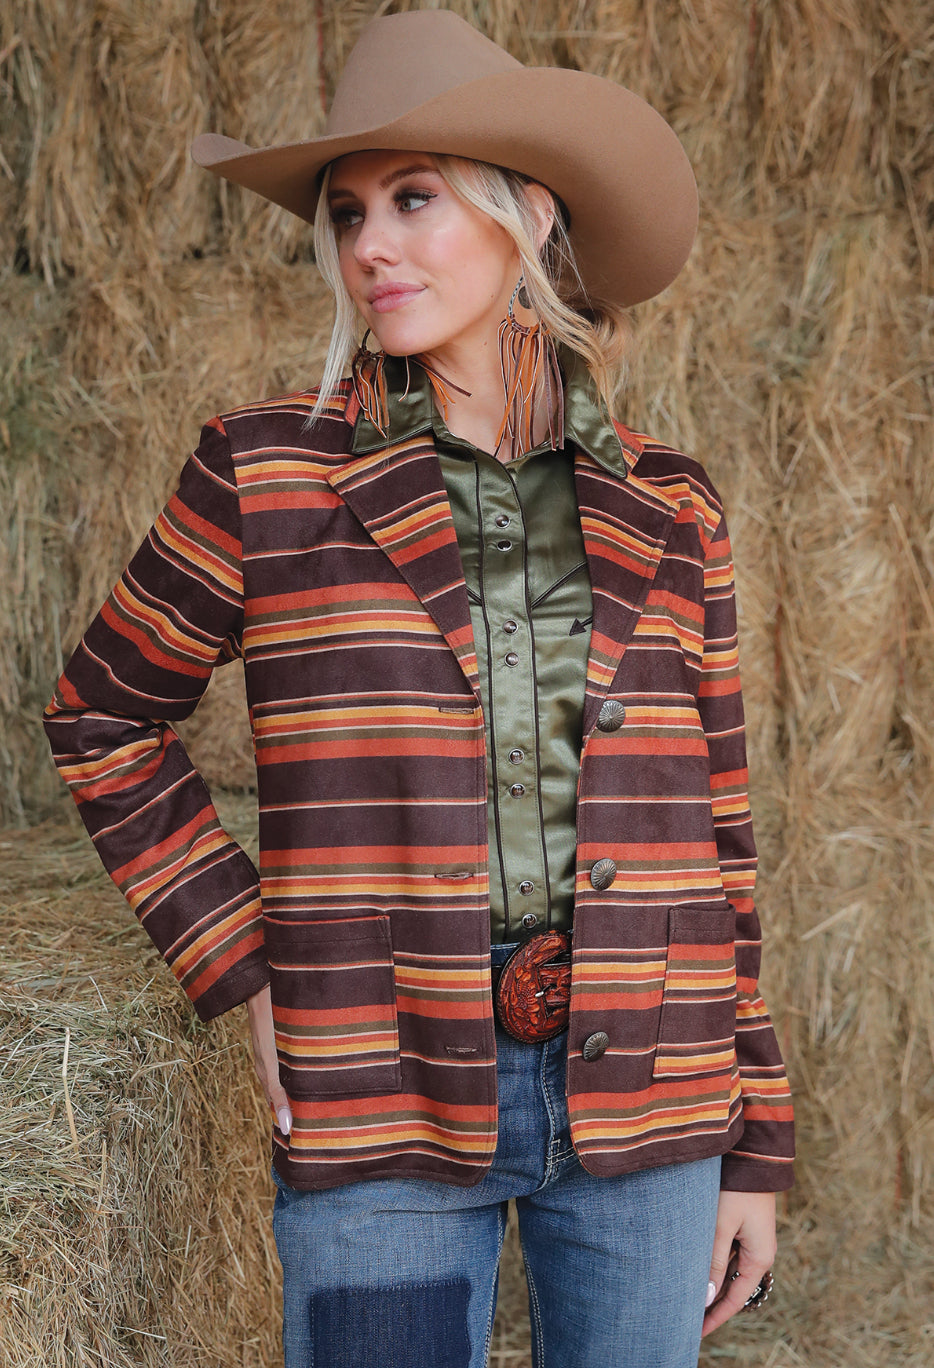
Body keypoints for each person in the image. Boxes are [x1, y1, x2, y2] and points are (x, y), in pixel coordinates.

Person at [44, 10, 794, 1367]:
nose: (368, 246)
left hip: (654, 1090)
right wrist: (242, 961)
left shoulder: (673, 504)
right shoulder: (264, 472)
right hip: (374, 1077)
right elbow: (101, 716)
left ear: (528, 215)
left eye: (412, 199)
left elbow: (720, 837)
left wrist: (756, 1138)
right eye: (345, 214)